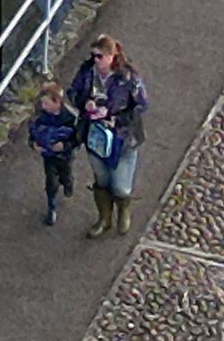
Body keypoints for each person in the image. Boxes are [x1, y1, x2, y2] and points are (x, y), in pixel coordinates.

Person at [78, 35, 147, 236]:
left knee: (121, 187)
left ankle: (124, 208)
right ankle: (104, 219)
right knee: (102, 181)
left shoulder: (128, 78)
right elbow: (74, 92)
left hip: (123, 139)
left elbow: (141, 106)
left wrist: (114, 118)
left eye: (99, 56)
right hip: (95, 137)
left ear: (111, 56)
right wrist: (85, 103)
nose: (95, 60)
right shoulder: (87, 72)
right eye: (93, 56)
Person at [28, 63, 89, 226]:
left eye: (47, 103)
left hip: (64, 155)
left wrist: (65, 146)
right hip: (48, 155)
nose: (43, 107)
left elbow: (78, 138)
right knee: (51, 182)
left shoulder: (69, 117)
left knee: (65, 175)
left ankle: (68, 183)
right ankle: (51, 208)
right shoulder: (40, 117)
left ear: (57, 102)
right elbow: (32, 132)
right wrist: (34, 145)